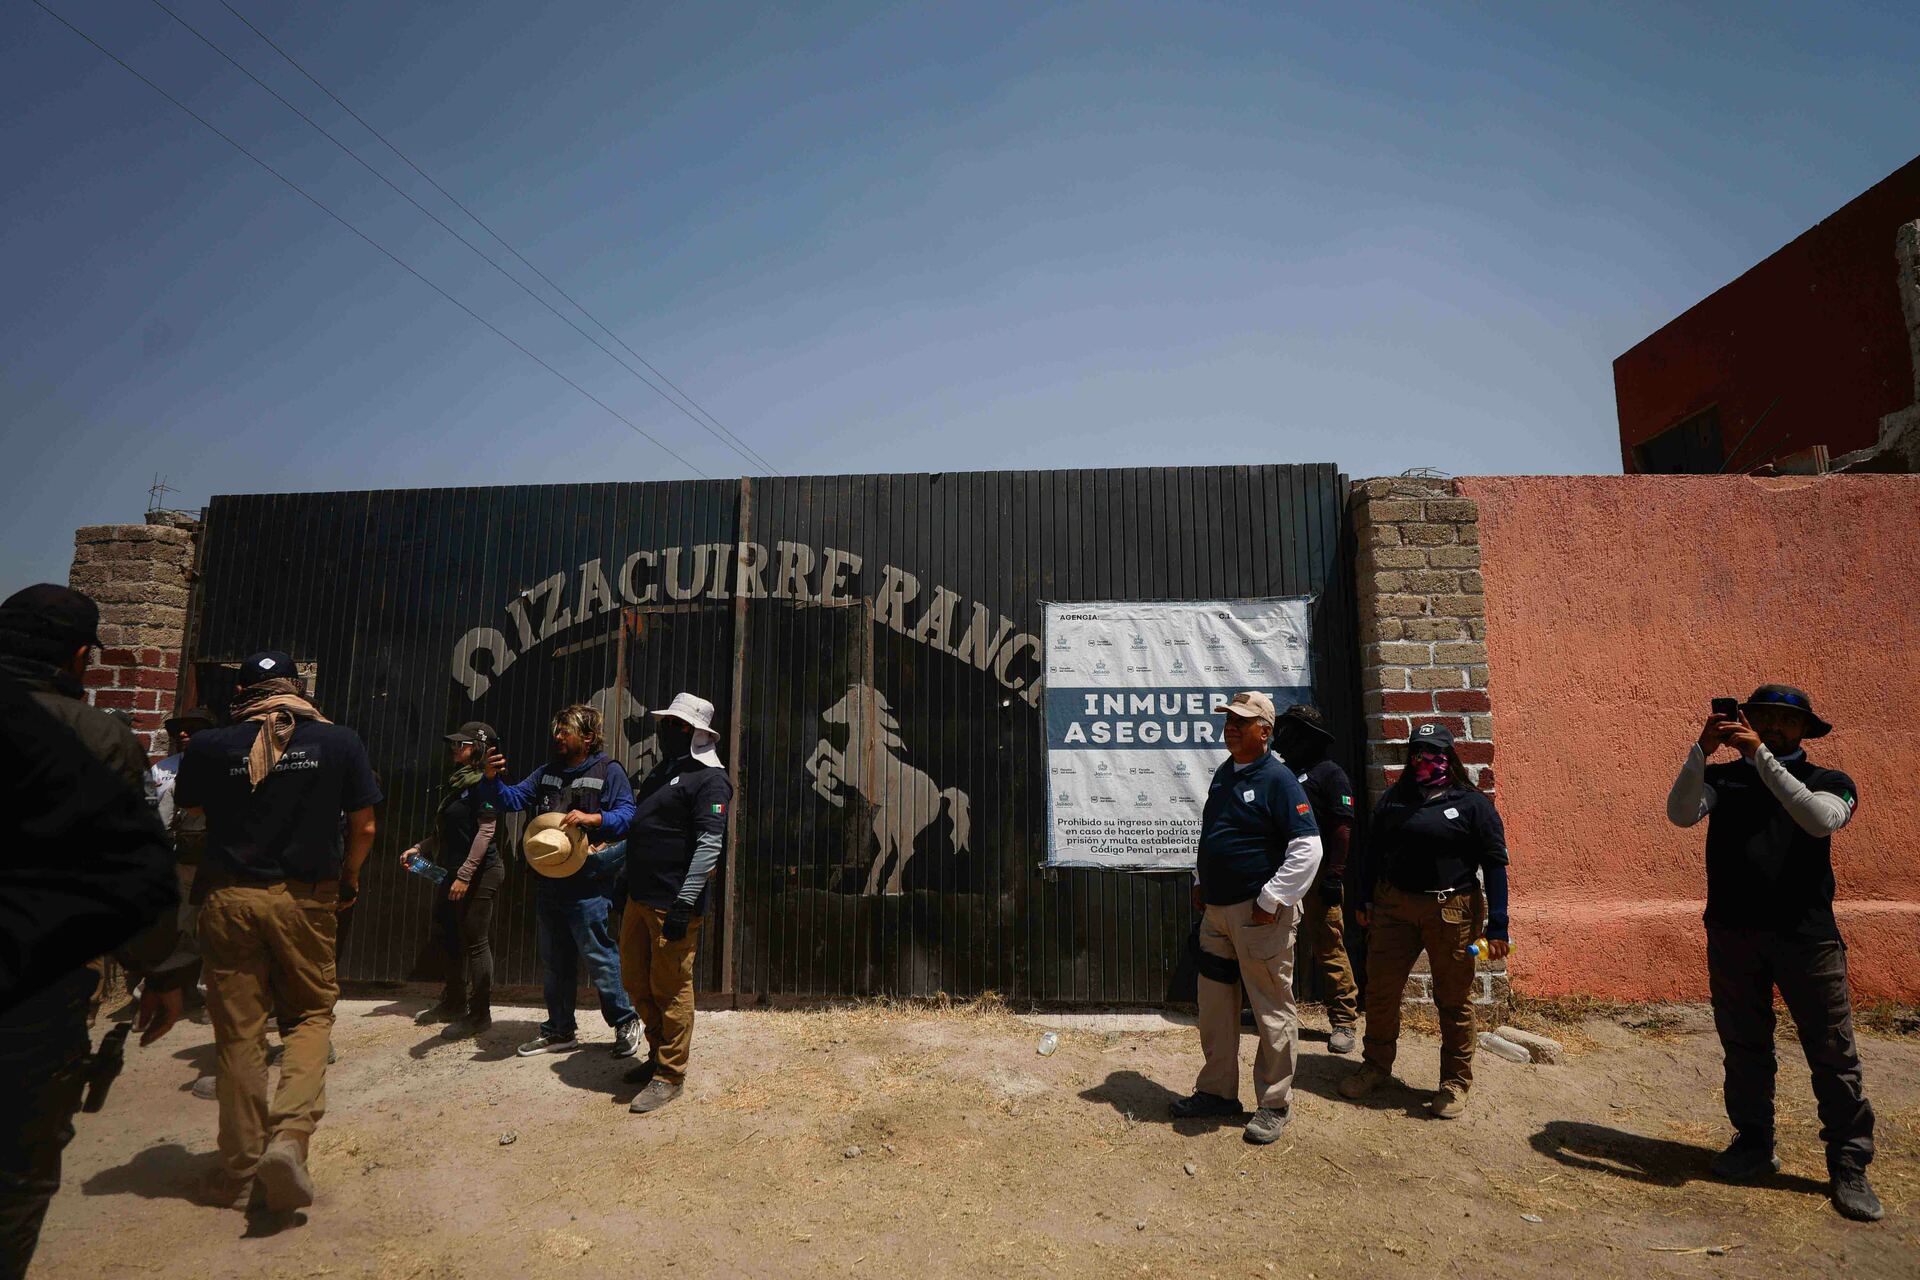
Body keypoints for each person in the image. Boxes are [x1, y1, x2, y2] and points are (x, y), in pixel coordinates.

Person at [0, 585, 183, 1278]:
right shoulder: (96, 736)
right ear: (79, 657)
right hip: (33, 993)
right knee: (14, 1178)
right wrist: (159, 970)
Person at [1666, 685, 1881, 1222]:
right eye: (1762, 717)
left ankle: (1848, 1164)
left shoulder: (1830, 781)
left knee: (1832, 1052)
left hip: (1807, 938)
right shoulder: (1723, 778)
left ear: (1806, 730)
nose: (1774, 727)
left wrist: (1759, 755)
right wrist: (1701, 751)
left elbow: (1818, 820)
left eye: (1786, 721)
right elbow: (1680, 813)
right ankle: (1754, 1143)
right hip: (1733, 933)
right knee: (1744, 1046)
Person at [175, 651, 380, 1212]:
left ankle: (239, 1170)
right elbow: (364, 826)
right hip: (305, 899)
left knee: (239, 1033)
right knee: (309, 1017)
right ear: (297, 687)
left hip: (229, 898)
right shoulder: (338, 741)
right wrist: (349, 877)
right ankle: (289, 1138)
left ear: (241, 692)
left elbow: (192, 806)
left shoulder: (210, 745)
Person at [1168, 691, 1323, 1145]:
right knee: (1215, 1007)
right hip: (1217, 915)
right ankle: (1217, 1093)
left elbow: (1308, 848)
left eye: (1242, 721)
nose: (1231, 727)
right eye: (1229, 720)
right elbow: (1214, 832)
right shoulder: (1225, 773)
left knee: (1271, 1007)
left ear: (1265, 731)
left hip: (1259, 918)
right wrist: (1201, 879)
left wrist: (1272, 899)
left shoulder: (1278, 779)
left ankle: (1274, 1103)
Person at [1338, 723, 1509, 1119]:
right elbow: (1372, 853)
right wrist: (1364, 897)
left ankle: (1455, 1081)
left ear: (1450, 756)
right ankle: (1376, 1065)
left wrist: (1498, 924)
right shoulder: (1395, 800)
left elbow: (1494, 864)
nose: (1424, 759)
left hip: (1453, 911)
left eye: (1433, 752)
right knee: (1381, 990)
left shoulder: (1472, 804)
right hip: (1394, 908)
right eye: (1417, 752)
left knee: (1453, 997)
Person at [481, 704, 642, 1059]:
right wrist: (491, 780)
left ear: (588, 737)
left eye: (565, 731)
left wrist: (594, 818)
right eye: (556, 730)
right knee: (555, 961)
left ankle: (626, 1022)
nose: (557, 736)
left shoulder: (609, 770)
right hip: (550, 881)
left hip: (588, 884)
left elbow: (628, 815)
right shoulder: (546, 773)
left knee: (599, 956)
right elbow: (511, 799)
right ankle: (559, 1030)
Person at [618, 693, 734, 1115]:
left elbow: (709, 844)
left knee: (670, 988)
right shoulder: (663, 771)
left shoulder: (711, 780)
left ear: (696, 732)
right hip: (639, 896)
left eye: (676, 724)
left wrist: (685, 902)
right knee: (635, 979)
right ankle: (656, 1052)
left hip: (672, 902)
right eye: (666, 722)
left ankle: (670, 1075)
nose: (666, 730)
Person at [402, 722, 503, 1040]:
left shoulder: (486, 784)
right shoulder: (458, 782)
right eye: (454, 744)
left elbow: (485, 833)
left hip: (479, 872)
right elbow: (447, 830)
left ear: (481, 750)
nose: (455, 748)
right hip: (451, 870)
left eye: (463, 744)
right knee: (446, 933)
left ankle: (480, 1014)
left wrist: (464, 875)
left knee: (475, 941)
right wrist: (419, 849)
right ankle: (454, 1002)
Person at [1273, 703, 1360, 1055]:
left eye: (1291, 732)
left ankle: (1344, 1020)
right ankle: (1274, 1014)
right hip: (1284, 872)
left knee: (1328, 944)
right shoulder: (1283, 773)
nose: (1283, 738)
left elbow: (1342, 828)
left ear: (1308, 737)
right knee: (1273, 944)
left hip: (1319, 873)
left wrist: (1334, 876)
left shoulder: (1330, 774)